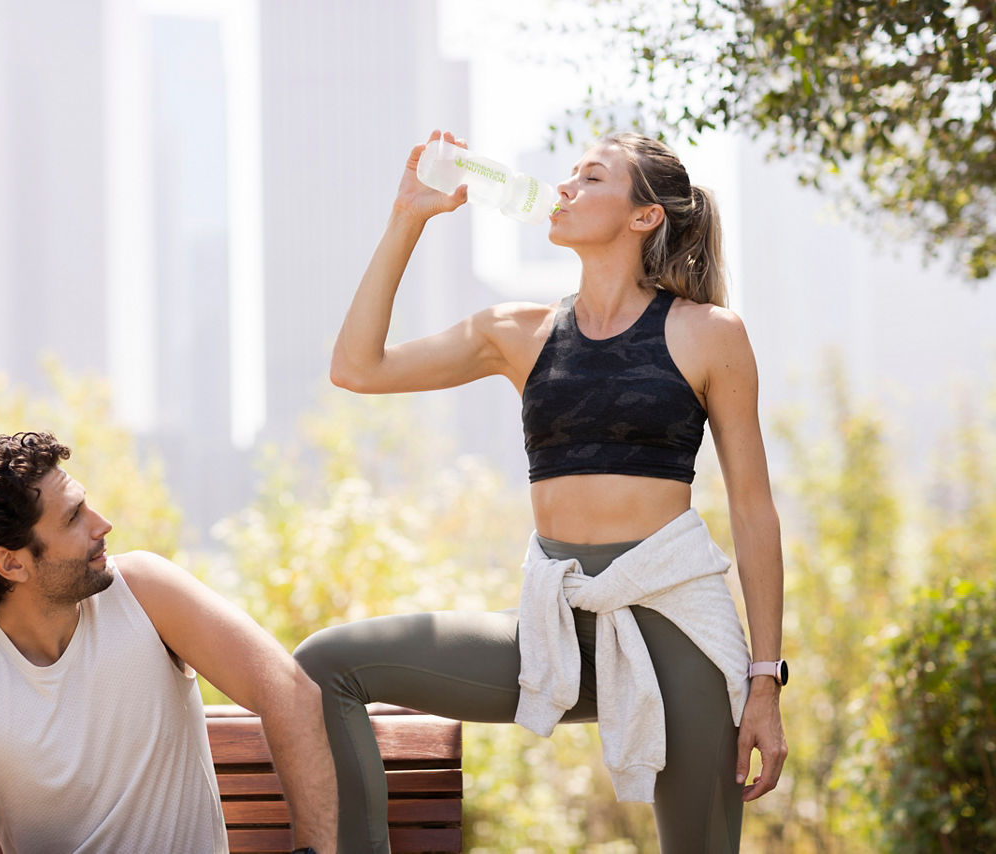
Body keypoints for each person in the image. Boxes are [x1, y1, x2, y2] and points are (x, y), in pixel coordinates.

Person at [294, 130, 787, 853]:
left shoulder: (709, 334)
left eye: (590, 178)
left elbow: (753, 511)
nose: (564, 188)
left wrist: (765, 680)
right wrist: (408, 218)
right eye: (569, 175)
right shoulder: (516, 332)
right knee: (325, 665)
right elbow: (357, 367)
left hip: (676, 622)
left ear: (644, 215)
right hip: (553, 623)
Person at [0, 431, 337, 854]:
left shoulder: (146, 592)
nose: (102, 525)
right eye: (74, 518)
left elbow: (290, 692)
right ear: (11, 562)